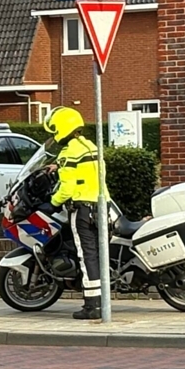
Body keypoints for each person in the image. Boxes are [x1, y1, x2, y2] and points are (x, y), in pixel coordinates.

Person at [44, 106, 107, 320]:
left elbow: (68, 187)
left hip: (82, 209)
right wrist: (57, 166)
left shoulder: (68, 152)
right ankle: (100, 301)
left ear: (62, 128)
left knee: (85, 254)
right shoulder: (90, 146)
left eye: (54, 130)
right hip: (101, 206)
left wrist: (52, 203)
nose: (53, 135)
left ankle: (92, 305)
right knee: (98, 254)